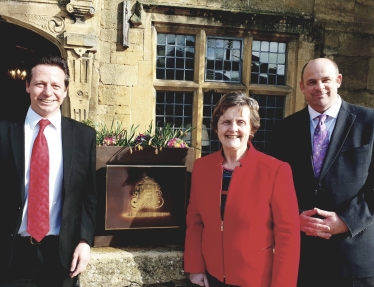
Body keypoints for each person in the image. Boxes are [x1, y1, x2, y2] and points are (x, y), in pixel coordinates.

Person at [269, 57, 374, 287]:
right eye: (312, 81)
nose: (319, 87)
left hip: (354, 256)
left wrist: (347, 221)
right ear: (302, 87)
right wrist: (294, 217)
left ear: (338, 80)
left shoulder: (370, 123)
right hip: (302, 258)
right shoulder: (284, 129)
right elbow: (273, 187)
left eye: (326, 80)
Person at [184, 91, 300, 287]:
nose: (233, 129)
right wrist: (195, 267)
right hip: (212, 278)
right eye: (226, 122)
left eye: (241, 122)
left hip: (256, 279)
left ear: (252, 128)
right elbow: (195, 221)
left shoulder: (276, 171)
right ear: (216, 127)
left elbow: (288, 235)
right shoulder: (202, 167)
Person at [0, 55, 97, 287]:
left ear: (65, 90)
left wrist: (85, 241)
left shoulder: (84, 136)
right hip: (12, 253)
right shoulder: (4, 132)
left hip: (63, 254)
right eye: (40, 84)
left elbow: (88, 195)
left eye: (55, 85)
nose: (47, 92)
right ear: (27, 86)